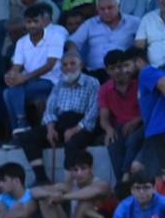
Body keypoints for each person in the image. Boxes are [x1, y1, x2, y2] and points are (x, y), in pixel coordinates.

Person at [18, 51, 100, 187]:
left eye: (72, 64)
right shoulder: (59, 85)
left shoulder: (92, 82)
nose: (68, 67)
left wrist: (76, 129)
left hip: (82, 125)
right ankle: (41, 178)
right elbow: (50, 109)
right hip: (61, 122)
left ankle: (68, 183)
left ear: (81, 65)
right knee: (28, 137)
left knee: (73, 144)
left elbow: (94, 110)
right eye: (65, 65)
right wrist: (50, 129)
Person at [29, 148, 111, 218]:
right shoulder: (70, 186)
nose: (79, 173)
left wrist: (63, 197)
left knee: (85, 200)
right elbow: (34, 191)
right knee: (44, 197)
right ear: (71, 172)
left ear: (91, 168)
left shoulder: (101, 183)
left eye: (83, 168)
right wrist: (52, 194)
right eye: (75, 170)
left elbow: (94, 192)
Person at [4, 5, 64, 137]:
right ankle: (20, 126)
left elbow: (50, 65)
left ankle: (19, 129)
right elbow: (17, 66)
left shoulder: (55, 36)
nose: (32, 25)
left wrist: (24, 78)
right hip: (30, 81)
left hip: (51, 81)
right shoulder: (22, 42)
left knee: (11, 93)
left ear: (43, 21)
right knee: (8, 91)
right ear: (25, 23)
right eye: (29, 22)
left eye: (36, 21)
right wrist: (11, 76)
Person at [66, 0, 140, 83]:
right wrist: (75, 54)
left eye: (110, 8)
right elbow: (72, 41)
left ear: (119, 6)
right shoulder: (90, 23)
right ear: (97, 9)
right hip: (93, 72)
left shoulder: (135, 22)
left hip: (121, 71)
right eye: (102, 9)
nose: (106, 12)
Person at [97, 50, 143, 182]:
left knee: (132, 141)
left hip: (141, 124)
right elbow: (104, 118)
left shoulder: (139, 83)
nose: (118, 71)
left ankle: (125, 178)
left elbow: (150, 110)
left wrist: (136, 121)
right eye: (113, 68)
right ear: (107, 71)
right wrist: (109, 129)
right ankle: (122, 185)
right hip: (120, 127)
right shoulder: (105, 89)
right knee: (113, 144)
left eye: (120, 66)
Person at [125, 47, 165, 180]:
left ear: (139, 61)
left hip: (159, 130)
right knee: (138, 167)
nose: (125, 70)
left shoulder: (146, 72)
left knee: (157, 175)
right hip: (154, 131)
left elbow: (164, 84)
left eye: (127, 65)